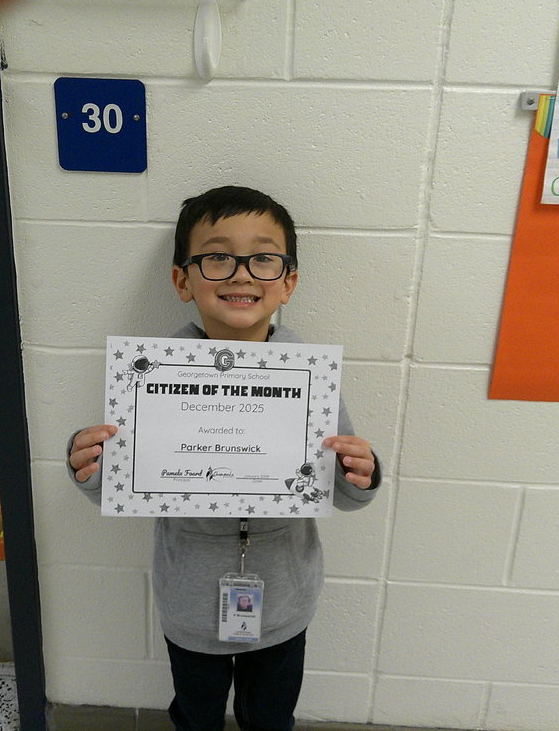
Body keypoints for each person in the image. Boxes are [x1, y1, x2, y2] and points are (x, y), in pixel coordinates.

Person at [67, 185, 381, 731]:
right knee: (196, 713)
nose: (241, 273)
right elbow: (122, 482)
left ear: (288, 282)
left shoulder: (309, 372)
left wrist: (362, 473)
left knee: (270, 715)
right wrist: (89, 465)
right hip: (190, 597)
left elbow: (343, 491)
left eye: (263, 257)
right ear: (182, 280)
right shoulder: (152, 372)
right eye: (217, 257)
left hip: (284, 597)